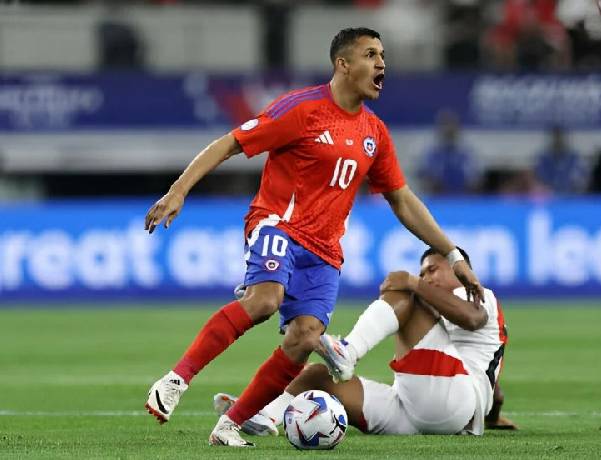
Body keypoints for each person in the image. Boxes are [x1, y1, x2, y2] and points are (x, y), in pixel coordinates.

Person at [142, 27, 485, 448]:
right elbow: (231, 143)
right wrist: (178, 191)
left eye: (383, 56)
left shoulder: (374, 132)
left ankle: (231, 424)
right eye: (370, 54)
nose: (382, 64)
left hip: (324, 253)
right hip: (277, 226)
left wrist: (452, 254)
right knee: (265, 300)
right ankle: (177, 379)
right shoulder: (302, 109)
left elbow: (401, 199)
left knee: (304, 337)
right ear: (343, 64)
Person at [214, 247, 514, 437]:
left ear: (461, 269)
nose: (426, 276)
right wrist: (494, 415)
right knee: (317, 376)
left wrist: (413, 283)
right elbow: (494, 388)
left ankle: (349, 350)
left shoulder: (478, 294)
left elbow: (472, 318)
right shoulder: (451, 315)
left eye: (433, 269)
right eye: (423, 272)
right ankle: (266, 414)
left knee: (407, 293)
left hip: (449, 400)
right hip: (420, 411)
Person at [418, 110, 482, 195]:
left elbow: (475, 179)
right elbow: (425, 178)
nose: (449, 129)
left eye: (452, 126)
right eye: (445, 125)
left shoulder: (466, 154)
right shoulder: (432, 154)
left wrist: (473, 184)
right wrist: (431, 182)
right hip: (438, 200)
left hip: (464, 199)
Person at [534, 125, 590, 194]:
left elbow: (582, 177)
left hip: (572, 196)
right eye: (555, 137)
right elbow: (539, 178)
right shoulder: (543, 158)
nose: (558, 140)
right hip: (550, 196)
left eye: (560, 137)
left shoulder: (574, 157)